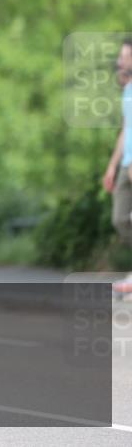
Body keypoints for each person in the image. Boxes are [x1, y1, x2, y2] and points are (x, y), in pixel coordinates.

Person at [106, 38, 132, 295]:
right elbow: (126, 130)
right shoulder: (128, 90)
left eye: (125, 57)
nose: (120, 61)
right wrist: (113, 166)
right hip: (126, 164)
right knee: (120, 219)